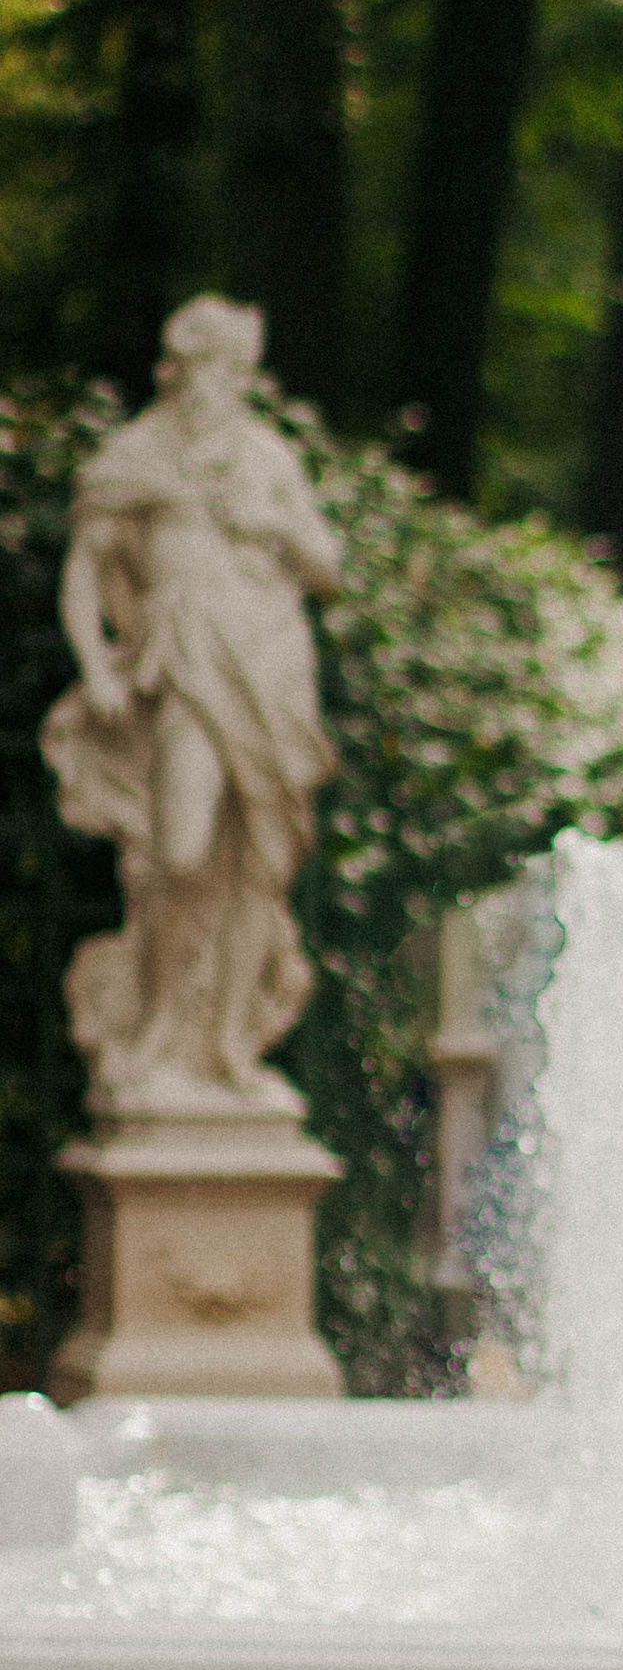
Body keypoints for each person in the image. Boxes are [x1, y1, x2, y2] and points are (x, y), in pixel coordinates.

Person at [42, 294, 343, 1114]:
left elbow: (328, 565)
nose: (229, 385)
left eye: (241, 371)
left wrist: (275, 526)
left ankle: (229, 1049)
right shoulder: (136, 455)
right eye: (216, 367)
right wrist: (97, 670)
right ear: (179, 369)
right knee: (176, 853)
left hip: (271, 665)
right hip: (188, 665)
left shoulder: (268, 460)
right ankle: (155, 1030)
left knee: (260, 866)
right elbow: (82, 573)